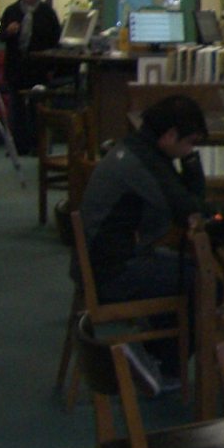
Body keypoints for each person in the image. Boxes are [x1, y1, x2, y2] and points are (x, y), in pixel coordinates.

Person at [78, 94, 210, 389]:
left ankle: (157, 353)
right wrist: (190, 162)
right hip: (112, 274)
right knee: (204, 280)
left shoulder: (135, 148)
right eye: (190, 142)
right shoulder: (144, 165)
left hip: (102, 261)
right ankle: (164, 368)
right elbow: (191, 209)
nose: (191, 149)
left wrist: (186, 157)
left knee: (186, 268)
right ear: (170, 135)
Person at [0, 0, 61, 154]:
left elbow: (56, 39)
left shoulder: (47, 13)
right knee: (16, 108)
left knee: (36, 107)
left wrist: (51, 68)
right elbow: (0, 36)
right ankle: (19, 145)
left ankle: (36, 144)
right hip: (16, 67)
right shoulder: (12, 11)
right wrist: (8, 31)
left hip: (38, 67)